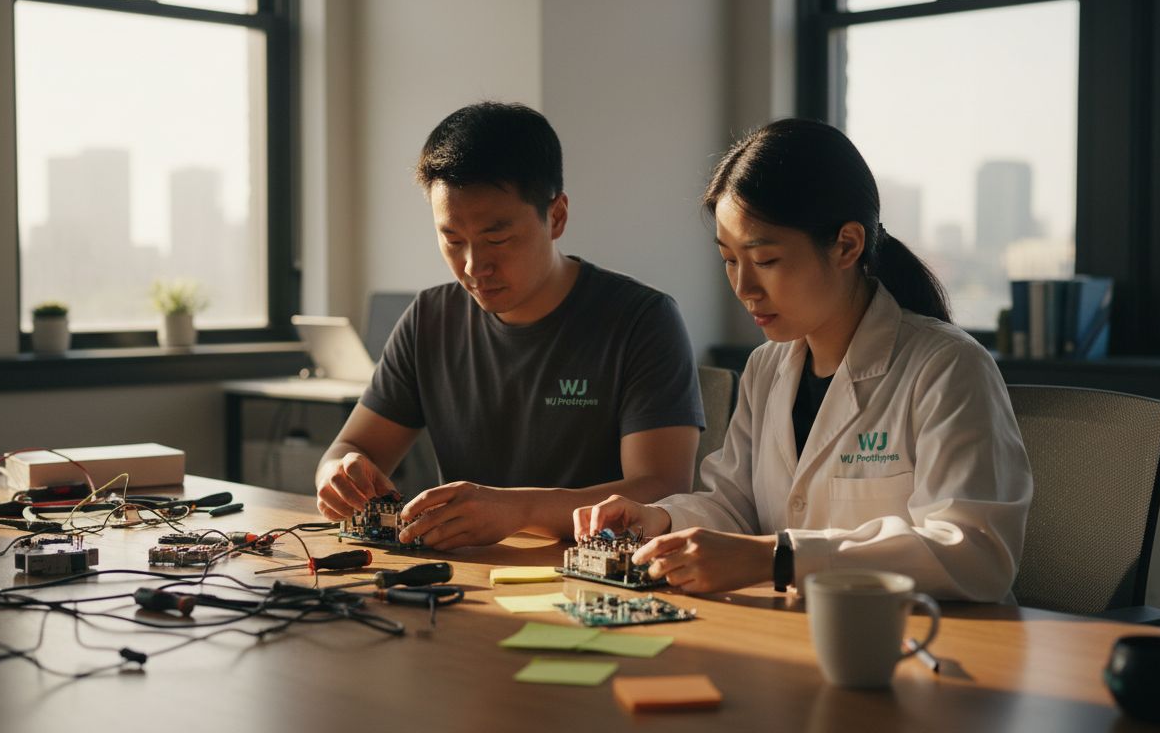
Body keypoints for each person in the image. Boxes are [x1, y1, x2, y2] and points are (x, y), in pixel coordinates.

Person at [575, 119, 1032, 602]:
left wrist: (779, 559)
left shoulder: (947, 367)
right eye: (730, 260)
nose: (744, 289)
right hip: (794, 635)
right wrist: (662, 519)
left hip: (925, 647)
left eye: (766, 260)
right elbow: (736, 505)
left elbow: (974, 553)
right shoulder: (767, 369)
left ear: (847, 245)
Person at [315, 102, 705, 550]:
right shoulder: (430, 319)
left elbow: (663, 488)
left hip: (595, 582)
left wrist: (518, 510)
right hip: (467, 580)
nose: (474, 265)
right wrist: (338, 472)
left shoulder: (642, 320)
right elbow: (349, 448)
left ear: (555, 217)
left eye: (497, 239)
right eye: (452, 240)